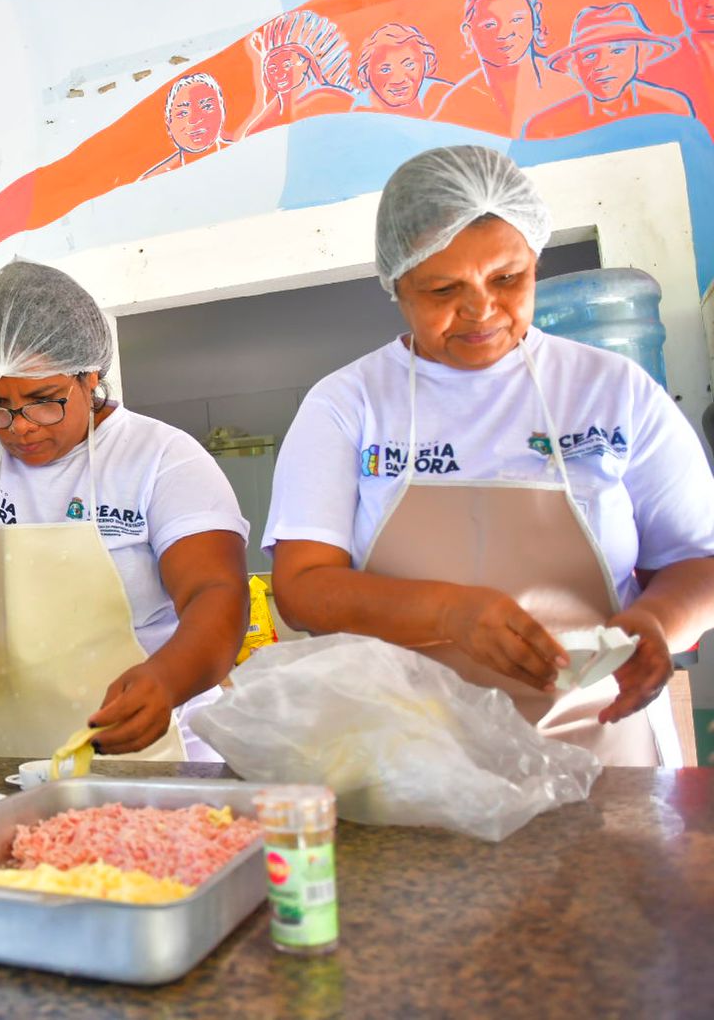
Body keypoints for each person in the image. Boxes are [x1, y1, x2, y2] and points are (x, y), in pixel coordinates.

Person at [265, 145, 714, 766]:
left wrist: (660, 620)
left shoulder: (613, 391)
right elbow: (302, 590)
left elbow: (698, 560)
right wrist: (449, 612)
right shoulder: (348, 404)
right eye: (444, 288)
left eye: (507, 279)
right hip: (411, 757)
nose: (481, 311)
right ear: (397, 286)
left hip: (602, 751)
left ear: (534, 259)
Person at [0, 261, 250, 759]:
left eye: (44, 400)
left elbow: (216, 594)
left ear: (89, 377)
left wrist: (169, 679)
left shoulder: (161, 459)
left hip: (156, 752)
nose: (19, 426)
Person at [523, 3, 693, 139]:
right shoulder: (546, 126)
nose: (602, 65)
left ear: (640, 56)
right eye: (589, 55)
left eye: (618, 51)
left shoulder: (671, 107)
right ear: (575, 67)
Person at [432, 0, 574, 136]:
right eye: (489, 25)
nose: (504, 33)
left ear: (535, 18)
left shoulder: (570, 90)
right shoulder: (455, 105)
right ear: (468, 33)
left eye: (516, 20)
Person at [239, 10, 355, 138]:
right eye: (272, 70)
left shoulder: (331, 99)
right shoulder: (260, 123)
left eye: (287, 65)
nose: (280, 75)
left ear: (305, 64)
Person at [140, 73, 231, 178]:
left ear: (222, 111)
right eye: (183, 113)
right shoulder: (153, 178)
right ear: (169, 123)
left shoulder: (239, 149)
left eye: (206, 106)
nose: (194, 120)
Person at [354, 23, 451, 118]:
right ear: (365, 75)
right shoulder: (361, 113)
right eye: (385, 70)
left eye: (409, 65)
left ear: (426, 62)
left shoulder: (445, 96)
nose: (399, 80)